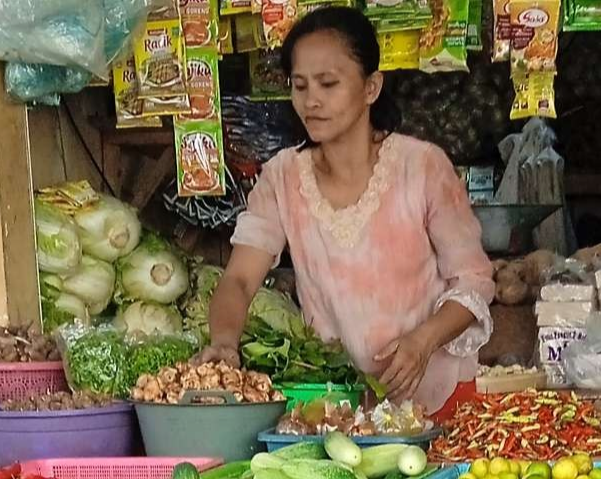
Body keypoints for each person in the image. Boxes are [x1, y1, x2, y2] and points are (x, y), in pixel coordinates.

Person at [195, 6, 494, 418]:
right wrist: (224, 342)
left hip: (441, 401)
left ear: (371, 87)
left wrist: (424, 340)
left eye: (328, 84)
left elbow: (475, 279)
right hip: (338, 408)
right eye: (299, 86)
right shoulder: (282, 178)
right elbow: (241, 279)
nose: (311, 101)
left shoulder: (422, 166)